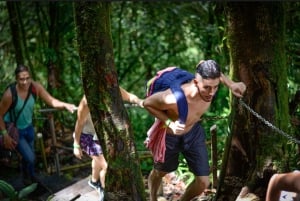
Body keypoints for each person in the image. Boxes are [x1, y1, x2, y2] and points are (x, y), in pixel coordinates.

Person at [143, 60, 247, 201]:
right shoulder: (173, 98)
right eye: (207, 88)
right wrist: (169, 122)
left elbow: (212, 70)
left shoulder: (211, 83)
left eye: (215, 87)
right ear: (196, 82)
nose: (212, 92)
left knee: (203, 182)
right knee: (160, 171)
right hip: (169, 135)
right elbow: (147, 103)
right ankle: (153, 198)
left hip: (193, 132)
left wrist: (231, 84)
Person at [0, 64, 76, 184]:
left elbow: (51, 101)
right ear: (16, 79)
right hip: (16, 131)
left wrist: (66, 105)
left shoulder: (35, 88)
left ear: (30, 77)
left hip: (29, 128)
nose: (25, 82)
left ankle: (28, 178)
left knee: (28, 157)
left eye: (27, 78)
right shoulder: (10, 94)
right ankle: (28, 179)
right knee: (31, 157)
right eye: (21, 79)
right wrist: (5, 135)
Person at [73, 87, 144, 200]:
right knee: (108, 166)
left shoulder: (111, 86)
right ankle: (106, 191)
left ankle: (94, 181)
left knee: (98, 160)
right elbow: (79, 124)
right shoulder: (87, 101)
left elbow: (130, 96)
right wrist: (76, 145)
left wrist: (140, 101)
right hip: (87, 136)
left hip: (102, 135)